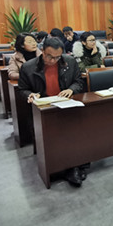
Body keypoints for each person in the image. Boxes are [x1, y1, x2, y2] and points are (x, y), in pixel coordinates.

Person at [17, 37, 86, 187]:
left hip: (66, 106)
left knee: (75, 130)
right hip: (44, 109)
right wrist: (30, 95)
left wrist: (71, 89)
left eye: (57, 57)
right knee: (54, 135)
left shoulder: (70, 62)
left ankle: (74, 165)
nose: (53, 61)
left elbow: (79, 82)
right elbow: (22, 89)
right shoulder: (28, 67)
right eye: (49, 57)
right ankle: (67, 167)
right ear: (42, 51)